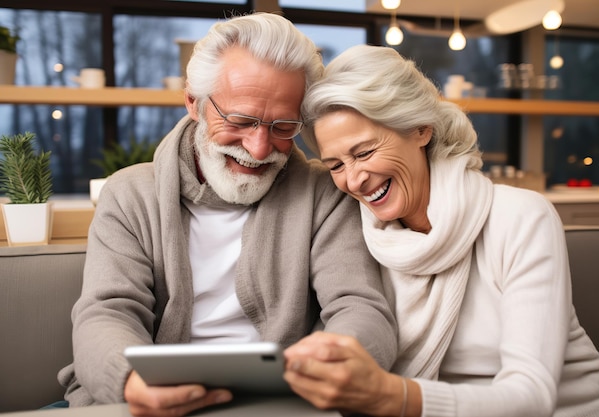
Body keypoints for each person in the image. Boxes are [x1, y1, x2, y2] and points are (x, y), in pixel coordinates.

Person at [57, 15, 397, 417]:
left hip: (288, 401)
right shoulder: (129, 194)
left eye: (283, 127)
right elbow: (107, 312)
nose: (258, 148)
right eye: (240, 121)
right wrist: (131, 381)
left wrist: (330, 363)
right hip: (145, 401)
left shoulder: (324, 192)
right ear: (193, 103)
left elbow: (360, 308)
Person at [283, 44, 599, 417]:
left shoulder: (520, 217)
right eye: (335, 165)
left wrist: (390, 396)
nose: (354, 180)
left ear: (420, 129)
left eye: (364, 153)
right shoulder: (359, 240)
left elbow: (532, 396)